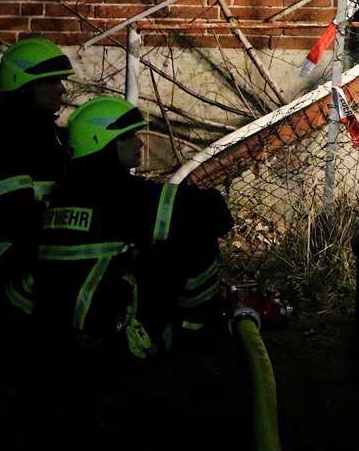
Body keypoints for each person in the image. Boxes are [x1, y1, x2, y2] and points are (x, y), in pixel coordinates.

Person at [35, 96, 232, 357]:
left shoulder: (63, 192)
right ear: (104, 144)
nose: (139, 142)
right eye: (128, 137)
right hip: (110, 340)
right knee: (196, 241)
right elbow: (214, 215)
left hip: (55, 331)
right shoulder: (119, 194)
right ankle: (195, 338)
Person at [0, 36, 71, 321]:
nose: (62, 90)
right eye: (52, 82)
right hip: (4, 263)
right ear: (24, 86)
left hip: (31, 252)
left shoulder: (46, 136)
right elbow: (13, 220)